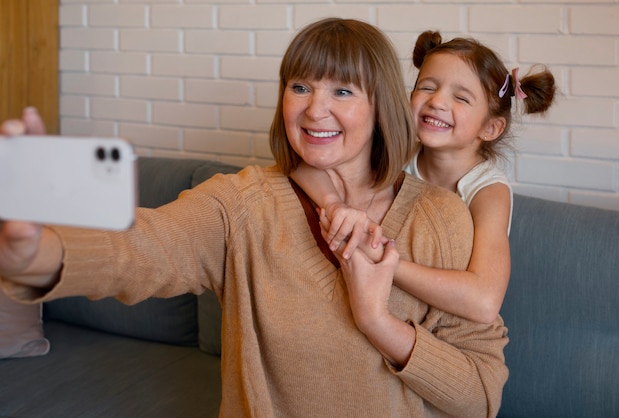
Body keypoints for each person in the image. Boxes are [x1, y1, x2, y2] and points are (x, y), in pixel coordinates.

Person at [0, 18, 509, 417]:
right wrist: (38, 253)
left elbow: (481, 395)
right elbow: (139, 250)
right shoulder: (241, 204)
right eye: (300, 87)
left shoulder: (440, 215)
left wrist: (377, 322)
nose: (314, 110)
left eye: (343, 91)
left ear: (382, 107)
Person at [291, 30, 556, 324]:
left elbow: (484, 302)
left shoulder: (487, 192)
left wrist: (386, 262)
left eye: (461, 97)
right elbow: (303, 164)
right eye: (428, 87)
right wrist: (333, 203)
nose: (437, 102)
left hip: (444, 323)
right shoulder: (396, 155)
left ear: (491, 128)